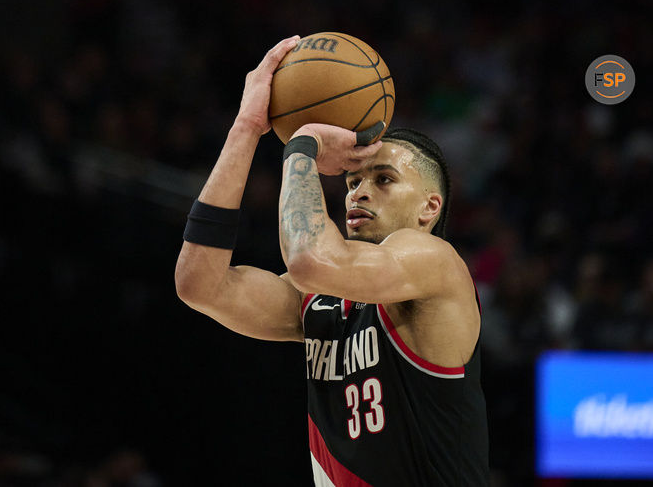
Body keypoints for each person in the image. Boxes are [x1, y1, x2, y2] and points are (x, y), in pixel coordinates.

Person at [175, 36, 489, 487]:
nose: (358, 191)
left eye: (383, 179)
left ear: (429, 208)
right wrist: (246, 127)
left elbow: (308, 260)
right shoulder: (321, 300)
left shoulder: (434, 262)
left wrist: (302, 146)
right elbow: (198, 284)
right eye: (353, 179)